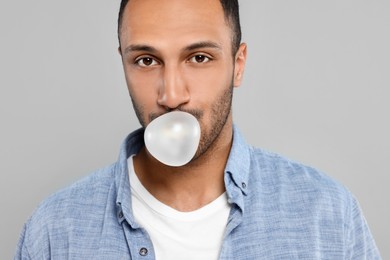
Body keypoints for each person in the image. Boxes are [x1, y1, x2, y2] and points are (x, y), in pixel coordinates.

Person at [15, 0, 381, 259]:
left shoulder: (328, 213)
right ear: (123, 64)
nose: (172, 94)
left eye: (199, 58)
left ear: (238, 65)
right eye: (146, 60)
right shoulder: (54, 230)